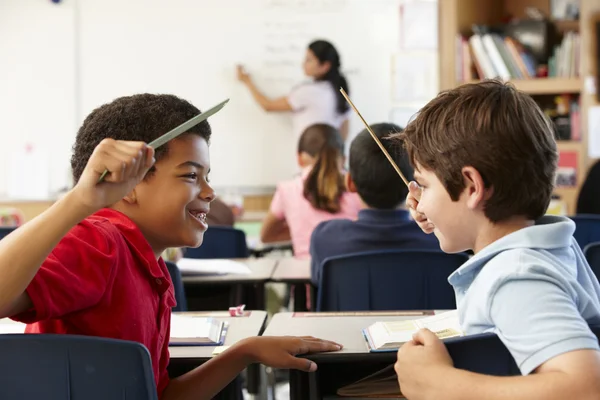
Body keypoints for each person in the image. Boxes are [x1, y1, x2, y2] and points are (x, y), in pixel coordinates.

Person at [0, 94, 342, 400]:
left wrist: (244, 352)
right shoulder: (101, 242)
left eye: (207, 176)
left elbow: (158, 394)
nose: (209, 192)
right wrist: (80, 200)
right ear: (127, 187)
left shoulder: (151, 269)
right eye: (191, 176)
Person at [393, 80, 600, 400]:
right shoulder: (546, 246)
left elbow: (586, 387)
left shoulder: (516, 276)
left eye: (425, 186)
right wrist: (440, 213)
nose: (418, 201)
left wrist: (439, 384)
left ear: (472, 188)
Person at [309, 123, 440, 285]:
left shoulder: (325, 238)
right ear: (414, 183)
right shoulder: (440, 239)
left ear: (349, 182)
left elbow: (317, 284)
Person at [261, 123, 361, 259]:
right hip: (351, 275)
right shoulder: (356, 186)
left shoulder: (287, 190)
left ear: (300, 158)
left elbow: (266, 236)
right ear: (343, 159)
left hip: (306, 278)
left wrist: (301, 230)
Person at [237, 39, 351, 142]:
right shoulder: (339, 90)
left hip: (311, 160)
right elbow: (344, 130)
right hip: (334, 162)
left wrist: (247, 81)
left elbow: (268, 106)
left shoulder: (309, 92)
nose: (303, 64)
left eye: (309, 60)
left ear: (325, 66)